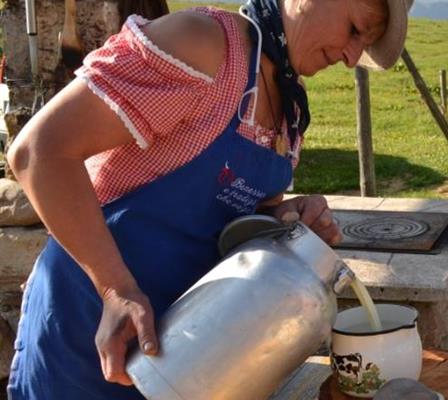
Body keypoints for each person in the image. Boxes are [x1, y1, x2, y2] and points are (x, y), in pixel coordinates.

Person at [5, 0, 413, 397]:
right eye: (356, 30)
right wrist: (116, 290)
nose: (351, 56)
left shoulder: (287, 108)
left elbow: (231, 218)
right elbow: (38, 152)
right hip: (89, 330)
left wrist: (282, 217)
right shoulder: (202, 46)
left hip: (183, 355)